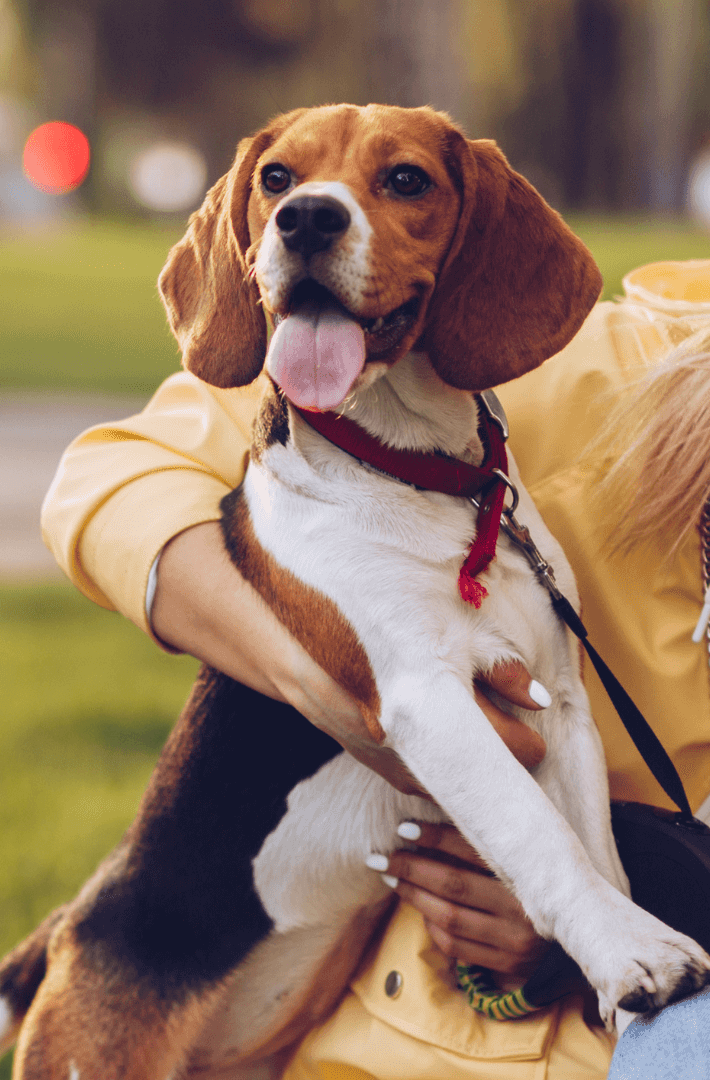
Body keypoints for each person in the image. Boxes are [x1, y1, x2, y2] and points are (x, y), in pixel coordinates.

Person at [41, 258, 710, 1077]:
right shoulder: (559, 366)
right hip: (408, 1030)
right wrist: (339, 689)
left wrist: (583, 920)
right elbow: (115, 479)